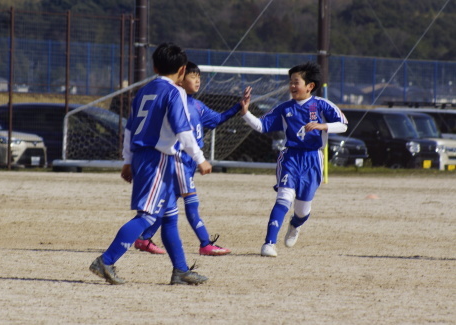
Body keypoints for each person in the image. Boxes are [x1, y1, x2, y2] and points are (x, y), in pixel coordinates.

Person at [89, 43, 213, 285]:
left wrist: (127, 161)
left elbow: (129, 128)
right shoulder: (175, 92)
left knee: (169, 217)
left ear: (155, 67)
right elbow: (183, 130)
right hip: (158, 160)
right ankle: (105, 261)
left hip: (144, 157)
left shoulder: (144, 91)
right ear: (182, 70)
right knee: (146, 216)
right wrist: (200, 158)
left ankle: (180, 270)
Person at [133, 61, 251, 256]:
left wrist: (238, 106)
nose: (197, 81)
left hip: (188, 164)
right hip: (178, 160)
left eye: (199, 77)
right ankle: (205, 243)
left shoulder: (197, 105)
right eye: (193, 77)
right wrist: (199, 158)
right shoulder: (174, 102)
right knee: (191, 201)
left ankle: (144, 238)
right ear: (180, 78)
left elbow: (217, 120)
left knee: (167, 203)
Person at [239, 62, 347, 257]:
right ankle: (269, 243)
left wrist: (323, 126)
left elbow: (343, 125)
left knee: (302, 210)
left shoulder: (322, 105)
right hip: (290, 157)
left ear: (310, 86)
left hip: (313, 159)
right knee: (283, 198)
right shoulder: (284, 108)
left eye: (296, 82)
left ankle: (295, 225)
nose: (292, 86)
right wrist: (246, 113)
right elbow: (262, 126)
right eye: (290, 82)